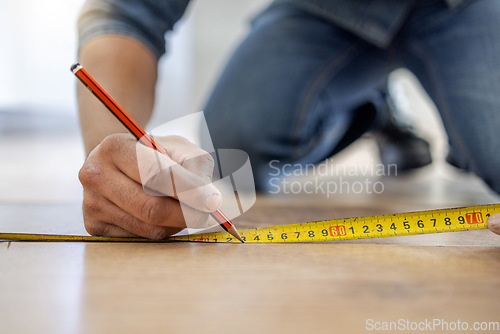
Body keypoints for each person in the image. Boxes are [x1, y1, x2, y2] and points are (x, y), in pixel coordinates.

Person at [75, 0, 500, 239]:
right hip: (327, 12)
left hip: (466, 7)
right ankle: (372, 105)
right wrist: (117, 158)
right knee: (233, 148)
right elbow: (126, 13)